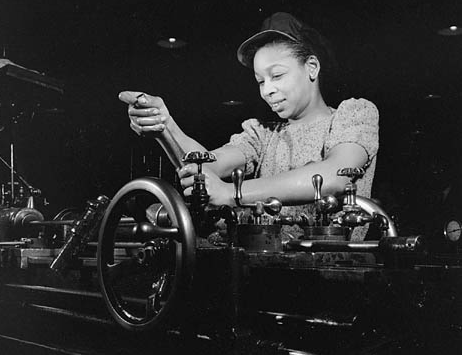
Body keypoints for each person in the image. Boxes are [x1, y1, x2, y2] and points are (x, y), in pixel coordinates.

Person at [119, 12, 379, 227]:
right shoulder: (262, 133)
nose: (267, 90)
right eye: (260, 81)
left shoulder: (353, 114)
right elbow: (206, 168)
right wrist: (165, 126)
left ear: (312, 67)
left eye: (277, 76)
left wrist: (233, 194)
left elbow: (335, 176)